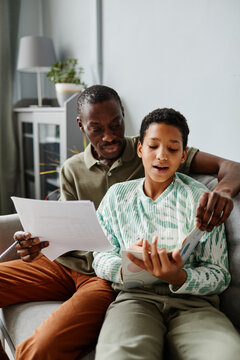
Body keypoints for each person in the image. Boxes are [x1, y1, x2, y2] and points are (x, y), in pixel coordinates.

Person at [0, 85, 239, 359]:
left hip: (100, 277)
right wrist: (36, 244)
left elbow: (231, 167)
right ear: (81, 126)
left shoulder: (158, 146)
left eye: (116, 124)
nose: (110, 135)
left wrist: (220, 194)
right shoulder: (73, 170)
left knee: (42, 347)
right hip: (67, 264)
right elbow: (65, 230)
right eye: (97, 129)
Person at [92, 108, 240, 360]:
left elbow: (219, 275)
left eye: (172, 149)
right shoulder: (117, 197)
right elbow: (100, 257)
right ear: (140, 149)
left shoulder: (201, 200)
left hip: (195, 304)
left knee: (225, 353)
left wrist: (179, 276)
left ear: (183, 156)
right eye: (153, 146)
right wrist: (126, 267)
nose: (161, 156)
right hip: (134, 300)